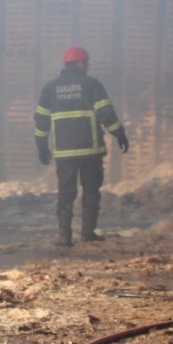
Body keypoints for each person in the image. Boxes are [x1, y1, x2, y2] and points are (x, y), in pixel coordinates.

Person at [35, 47, 129, 247]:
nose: (86, 67)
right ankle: (87, 232)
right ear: (80, 64)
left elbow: (41, 121)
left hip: (65, 152)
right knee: (91, 191)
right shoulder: (91, 84)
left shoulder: (50, 88)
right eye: (86, 64)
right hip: (90, 150)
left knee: (66, 193)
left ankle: (64, 237)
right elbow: (106, 114)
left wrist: (42, 147)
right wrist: (119, 134)